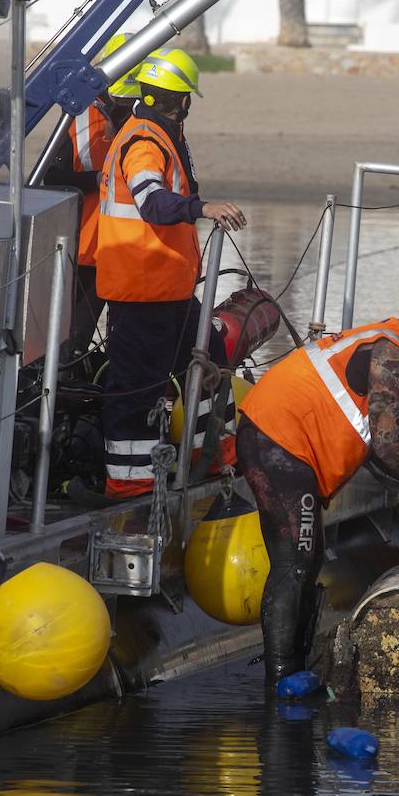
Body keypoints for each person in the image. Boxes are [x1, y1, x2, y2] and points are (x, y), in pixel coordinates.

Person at [236, 288, 399, 685]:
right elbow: (390, 447)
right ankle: (281, 680)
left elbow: (373, 444)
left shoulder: (382, 339)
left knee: (310, 558)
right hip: (278, 440)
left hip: (276, 438)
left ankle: (295, 668)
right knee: (295, 562)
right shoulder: (391, 354)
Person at [96, 47, 248, 499]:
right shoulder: (144, 143)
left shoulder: (158, 134)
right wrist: (203, 208)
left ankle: (213, 452)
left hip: (167, 288)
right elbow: (154, 203)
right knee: (138, 385)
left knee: (212, 358)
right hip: (142, 291)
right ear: (180, 101)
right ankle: (129, 482)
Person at [42, 33, 143, 371]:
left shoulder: (147, 122)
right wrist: (96, 179)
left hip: (129, 250)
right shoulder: (79, 116)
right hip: (87, 249)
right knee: (73, 337)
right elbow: (50, 177)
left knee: (126, 338)